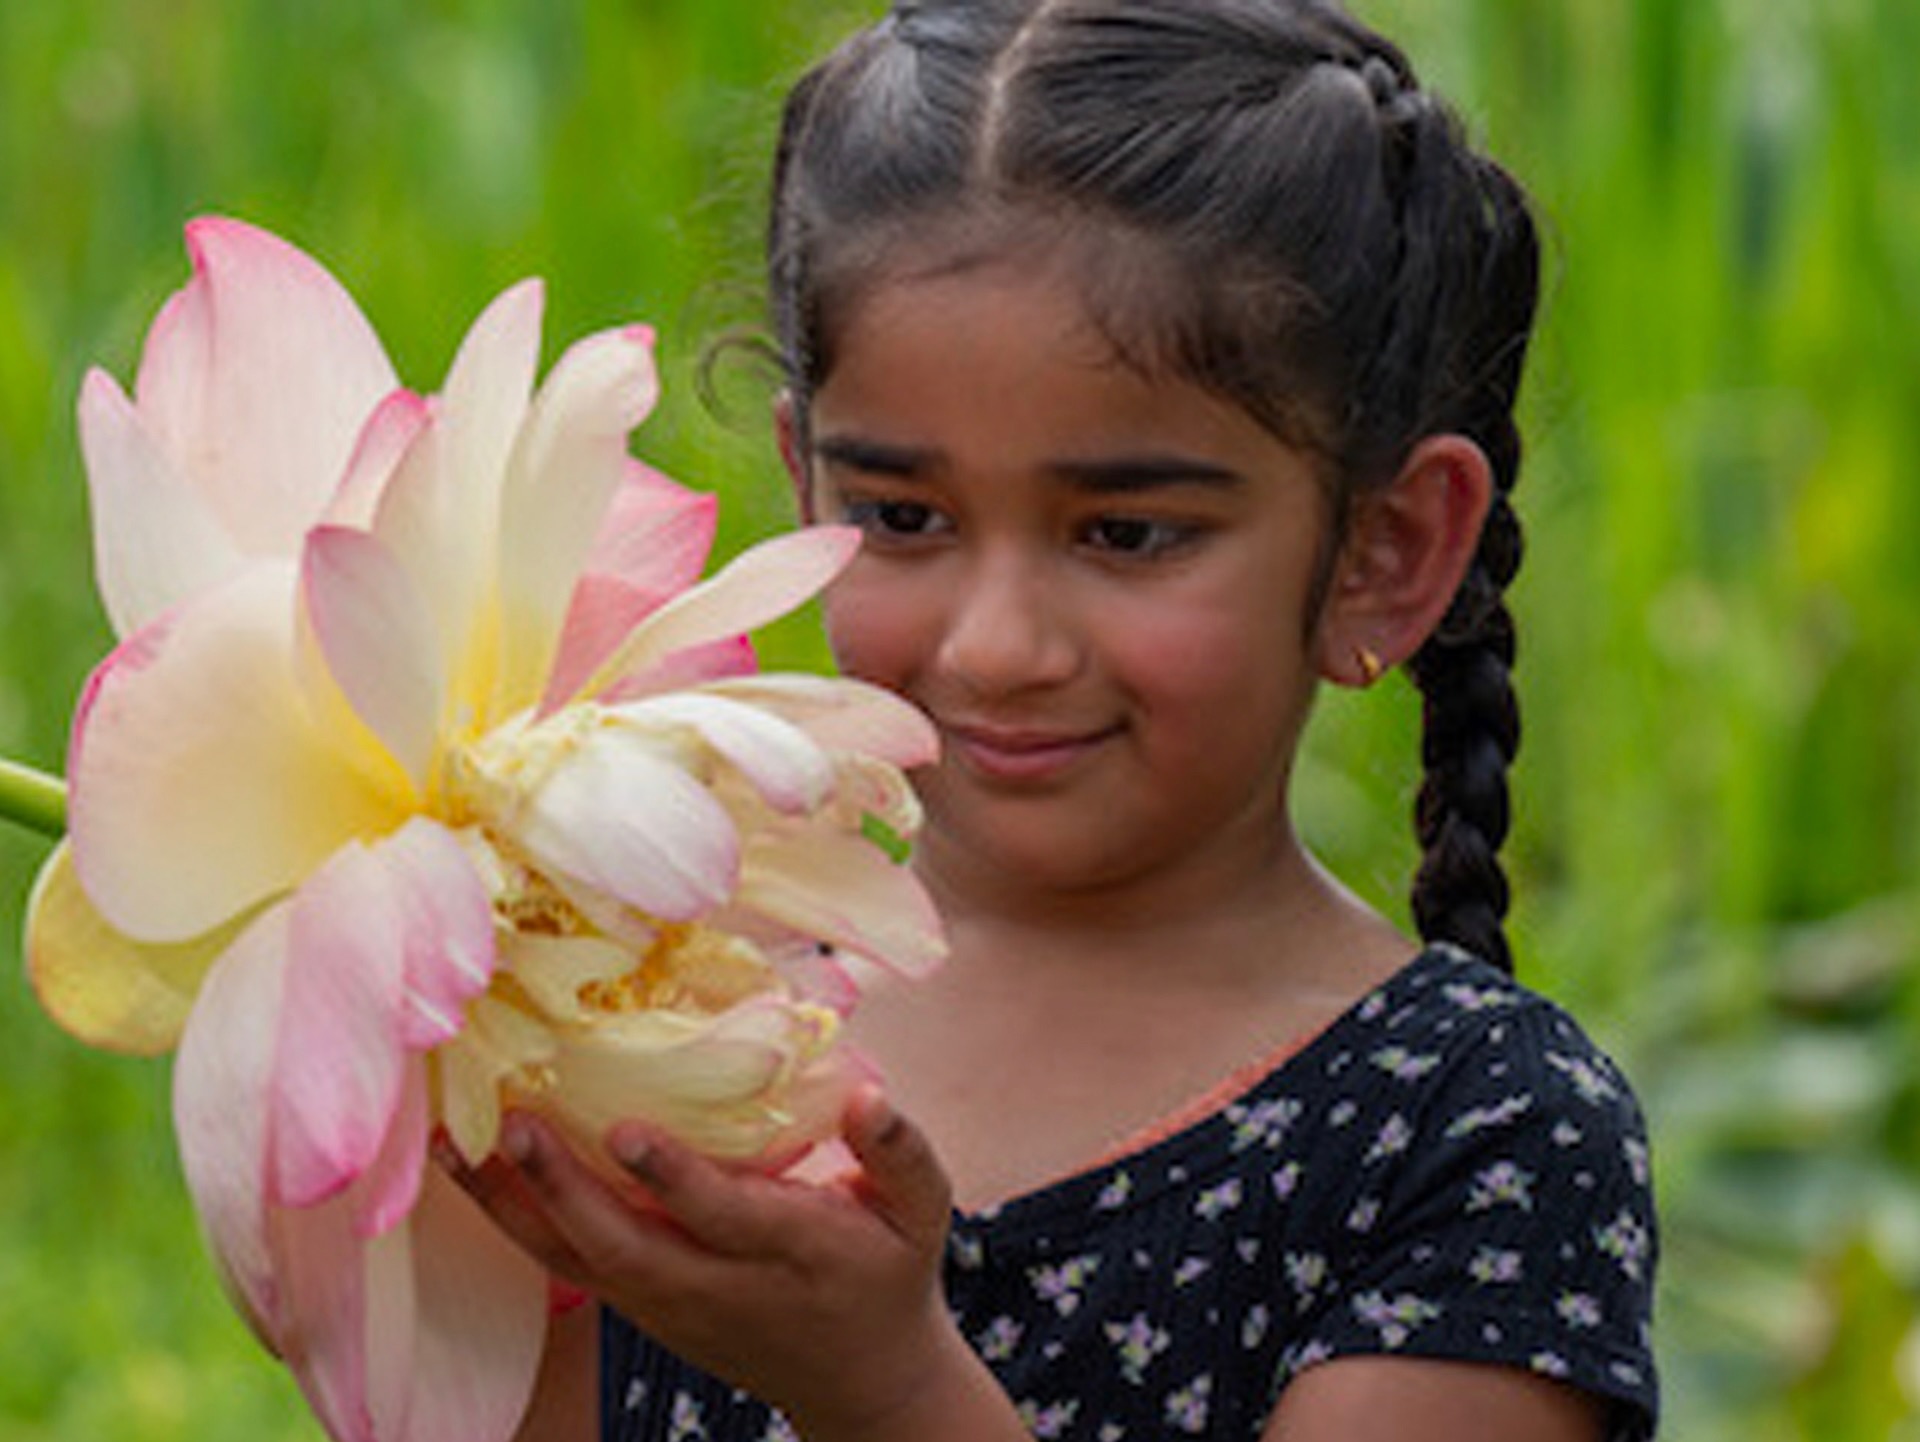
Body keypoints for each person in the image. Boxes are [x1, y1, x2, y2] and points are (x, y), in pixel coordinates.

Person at [453, 1, 1659, 1438]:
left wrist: (882, 1389)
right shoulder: (644, 1014)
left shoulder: (1475, 1133)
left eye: (1126, 533)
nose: (997, 646)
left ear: (1384, 550)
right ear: (806, 481)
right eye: (903, 516)